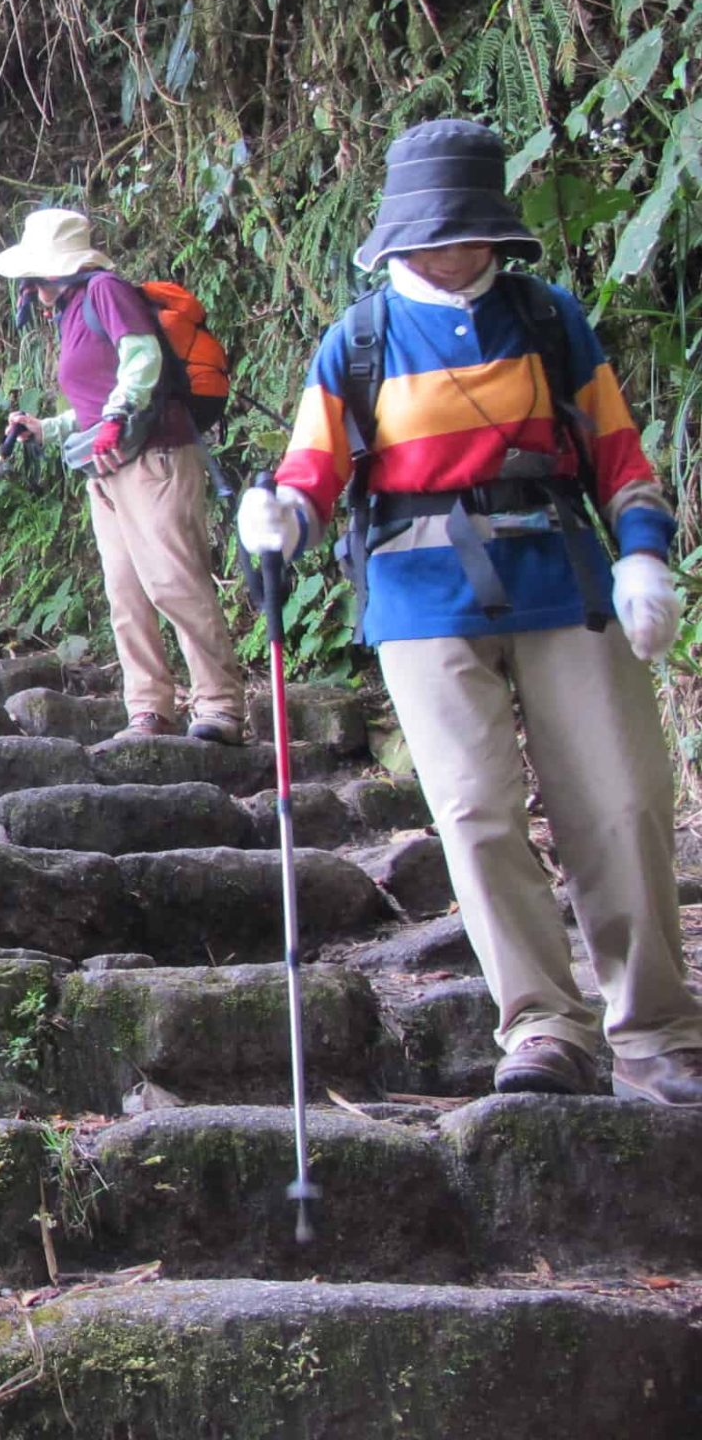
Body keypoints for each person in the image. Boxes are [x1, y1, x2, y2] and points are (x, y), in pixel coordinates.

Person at [239, 119, 702, 1105]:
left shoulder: (546, 320)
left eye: (463, 233)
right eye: (431, 236)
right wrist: (278, 515)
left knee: (620, 804)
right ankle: (543, 1029)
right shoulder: (357, 341)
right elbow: (311, 476)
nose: (450, 253)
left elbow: (618, 456)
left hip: (563, 581)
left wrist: (645, 557)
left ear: (492, 232)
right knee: (474, 814)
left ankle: (657, 1031)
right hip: (419, 602)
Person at [0, 207, 246, 741]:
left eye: (31, 279)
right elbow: (96, 399)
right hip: (106, 468)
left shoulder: (106, 289)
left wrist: (113, 419)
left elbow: (141, 359)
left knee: (174, 582)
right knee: (126, 593)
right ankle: (149, 709)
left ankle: (220, 705)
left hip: (153, 458)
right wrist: (51, 428)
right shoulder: (71, 311)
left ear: (47, 272)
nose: (28, 290)